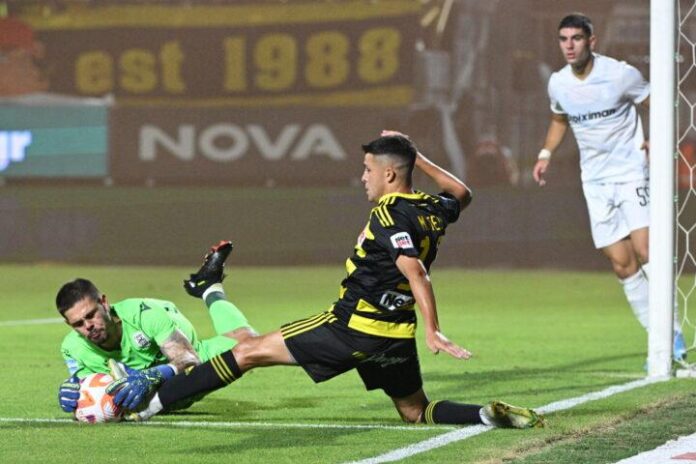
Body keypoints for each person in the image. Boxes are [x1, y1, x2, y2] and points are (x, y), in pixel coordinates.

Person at [121, 131, 544, 429]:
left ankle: (148, 406)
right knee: (415, 411)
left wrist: (435, 330)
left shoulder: (388, 214)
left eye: (368, 169)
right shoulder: (429, 208)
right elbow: (463, 193)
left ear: (389, 175)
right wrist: (416, 156)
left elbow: (414, 270)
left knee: (246, 351)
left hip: (351, 326)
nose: (363, 177)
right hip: (394, 334)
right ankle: (484, 415)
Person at [532, 13, 687, 363]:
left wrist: (657, 138)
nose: (569, 46)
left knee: (648, 250)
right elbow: (559, 118)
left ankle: (671, 336)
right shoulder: (558, 83)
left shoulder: (620, 75)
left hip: (631, 172)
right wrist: (545, 154)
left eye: (576, 38)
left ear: (592, 41)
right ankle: (661, 335)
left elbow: (660, 104)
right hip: (595, 181)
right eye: (563, 39)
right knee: (622, 264)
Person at [57, 240, 257, 413]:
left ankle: (209, 289)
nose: (88, 326)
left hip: (184, 347)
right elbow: (88, 389)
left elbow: (189, 360)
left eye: (91, 315)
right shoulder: (72, 348)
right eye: (78, 324)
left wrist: (153, 375)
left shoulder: (143, 316)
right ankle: (210, 284)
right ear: (69, 324)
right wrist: (74, 395)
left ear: (104, 303)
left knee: (250, 345)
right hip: (160, 377)